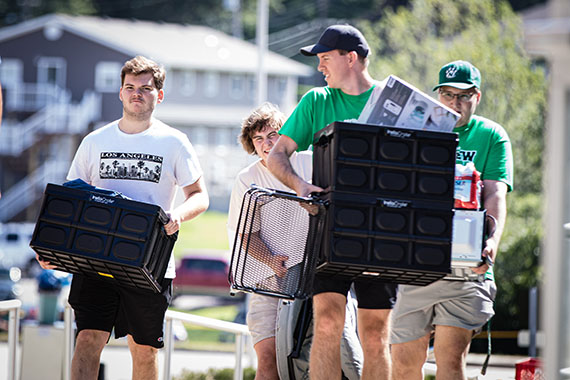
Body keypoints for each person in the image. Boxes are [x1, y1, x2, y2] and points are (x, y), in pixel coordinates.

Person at [36, 55, 209, 380]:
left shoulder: (174, 142)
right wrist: (50, 250)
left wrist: (178, 215)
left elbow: (200, 196)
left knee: (143, 349)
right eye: (130, 87)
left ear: (159, 94)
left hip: (149, 266)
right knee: (87, 339)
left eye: (145, 88)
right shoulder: (95, 141)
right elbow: (69, 200)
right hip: (95, 261)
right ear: (120, 92)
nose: (136, 93)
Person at [266, 24, 397, 380]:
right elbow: (277, 155)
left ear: (351, 58)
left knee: (375, 334)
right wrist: (301, 186)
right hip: (330, 231)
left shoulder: (392, 100)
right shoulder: (316, 101)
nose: (320, 66)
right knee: (326, 323)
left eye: (325, 58)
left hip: (382, 235)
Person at [390, 60, 513, 380]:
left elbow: (495, 194)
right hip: (416, 262)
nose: (455, 103)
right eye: (447, 94)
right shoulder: (419, 129)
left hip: (466, 265)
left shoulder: (491, 135)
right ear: (437, 95)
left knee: (450, 358)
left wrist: (491, 243)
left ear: (478, 97)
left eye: (464, 95)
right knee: (403, 361)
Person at [227, 102, 313, 379]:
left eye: (273, 135)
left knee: (308, 359)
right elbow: (245, 232)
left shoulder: (309, 162)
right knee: (268, 358)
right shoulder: (247, 178)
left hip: (310, 276)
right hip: (266, 279)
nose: (266, 143)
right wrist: (270, 260)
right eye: (259, 138)